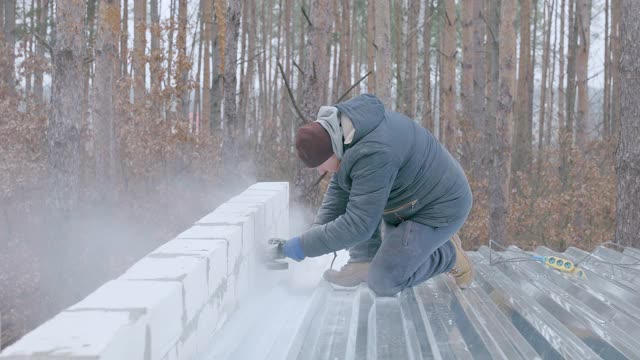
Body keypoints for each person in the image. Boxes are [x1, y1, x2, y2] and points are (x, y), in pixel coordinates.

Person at [279, 93, 473, 296]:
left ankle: (448, 254)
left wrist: (303, 246)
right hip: (407, 205)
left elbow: (359, 225)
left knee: (385, 280)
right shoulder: (347, 135)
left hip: (438, 208)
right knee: (363, 203)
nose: (320, 171)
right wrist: (313, 234)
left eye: (319, 165)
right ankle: (362, 263)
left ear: (331, 151)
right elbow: (339, 196)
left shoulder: (374, 152)